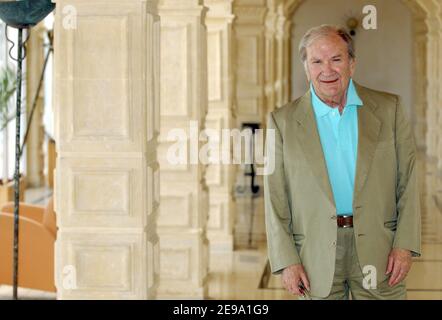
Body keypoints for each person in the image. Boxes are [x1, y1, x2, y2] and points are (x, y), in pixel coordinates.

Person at [264, 24, 421, 300]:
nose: (327, 70)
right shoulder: (281, 122)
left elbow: (407, 181)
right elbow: (275, 198)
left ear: (352, 64)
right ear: (306, 68)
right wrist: (287, 260)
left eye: (336, 59)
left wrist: (405, 245)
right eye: (317, 61)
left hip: (380, 251)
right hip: (313, 256)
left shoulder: (389, 109)